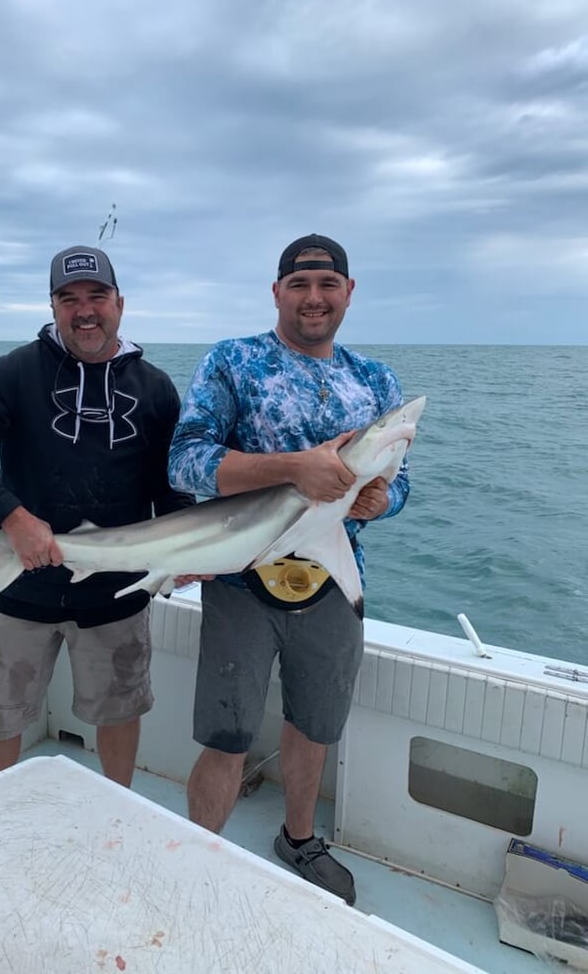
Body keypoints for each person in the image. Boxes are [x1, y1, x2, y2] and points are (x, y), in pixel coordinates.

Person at [167, 233, 412, 905]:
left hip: (335, 582)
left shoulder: (376, 381)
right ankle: (200, 853)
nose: (313, 298)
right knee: (227, 735)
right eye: (299, 285)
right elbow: (185, 461)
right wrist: (293, 467)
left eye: (328, 284)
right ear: (277, 291)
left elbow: (404, 481)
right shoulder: (235, 361)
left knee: (315, 725)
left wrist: (382, 498)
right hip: (242, 580)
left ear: (348, 292)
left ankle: (299, 839)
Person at [0, 245, 194, 786]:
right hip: (24, 587)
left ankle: (116, 814)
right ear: (52, 305)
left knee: (119, 715)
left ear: (120, 302)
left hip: (118, 591)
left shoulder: (156, 387)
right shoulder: (20, 371)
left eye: (97, 296)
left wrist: (185, 550)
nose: (84, 310)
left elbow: (172, 485)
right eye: (69, 299)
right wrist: (12, 518)